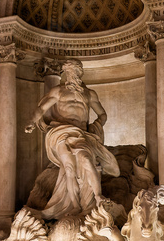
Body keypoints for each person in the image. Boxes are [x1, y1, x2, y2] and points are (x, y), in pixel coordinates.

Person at [24, 59, 119, 219]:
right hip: (61, 132)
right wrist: (32, 122)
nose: (71, 75)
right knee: (68, 168)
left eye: (74, 71)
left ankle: (98, 197)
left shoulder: (89, 94)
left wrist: (96, 126)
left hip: (81, 134)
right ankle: (75, 205)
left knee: (86, 160)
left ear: (80, 73)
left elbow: (102, 114)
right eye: (69, 72)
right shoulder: (58, 91)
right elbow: (41, 108)